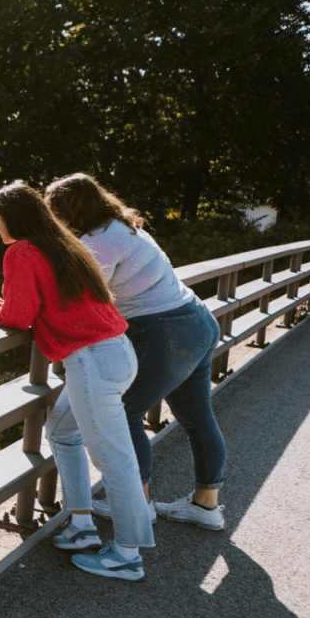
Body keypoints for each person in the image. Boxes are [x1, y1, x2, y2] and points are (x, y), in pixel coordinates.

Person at [0, 181, 149, 581]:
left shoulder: (22, 251)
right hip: (116, 353)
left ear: (14, 219)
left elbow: (19, 315)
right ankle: (81, 525)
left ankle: (127, 555)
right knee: (62, 432)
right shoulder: (64, 243)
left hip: (91, 362)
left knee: (114, 460)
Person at [45, 173, 225, 532]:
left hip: (163, 331)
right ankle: (206, 506)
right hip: (197, 320)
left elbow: (85, 302)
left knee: (124, 411)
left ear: (66, 214)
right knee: (198, 417)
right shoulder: (122, 227)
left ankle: (135, 504)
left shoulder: (96, 244)